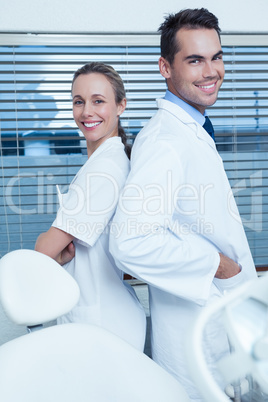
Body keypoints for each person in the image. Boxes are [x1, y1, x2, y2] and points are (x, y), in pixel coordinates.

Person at [109, 8, 257, 401]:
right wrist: (218, 265)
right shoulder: (165, 142)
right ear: (165, 67)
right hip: (195, 324)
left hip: (219, 317)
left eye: (216, 57)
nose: (211, 71)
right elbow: (129, 242)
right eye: (194, 60)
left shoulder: (191, 130)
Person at [35, 62, 146, 351]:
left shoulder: (104, 170)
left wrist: (46, 245)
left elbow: (43, 252)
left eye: (99, 101)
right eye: (78, 101)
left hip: (101, 323)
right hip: (101, 317)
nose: (87, 112)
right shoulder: (106, 162)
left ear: (121, 105)